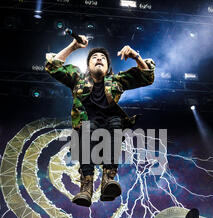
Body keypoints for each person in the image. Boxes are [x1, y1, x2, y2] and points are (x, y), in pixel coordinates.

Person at [45, 35, 155, 207]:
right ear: (88, 66)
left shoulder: (116, 80)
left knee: (115, 122)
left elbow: (146, 76)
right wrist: (73, 47)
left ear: (107, 66)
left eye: (103, 58)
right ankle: (86, 187)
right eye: (94, 57)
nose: (99, 59)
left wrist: (135, 56)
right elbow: (53, 67)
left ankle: (107, 180)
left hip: (110, 132)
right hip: (86, 131)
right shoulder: (78, 78)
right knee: (87, 129)